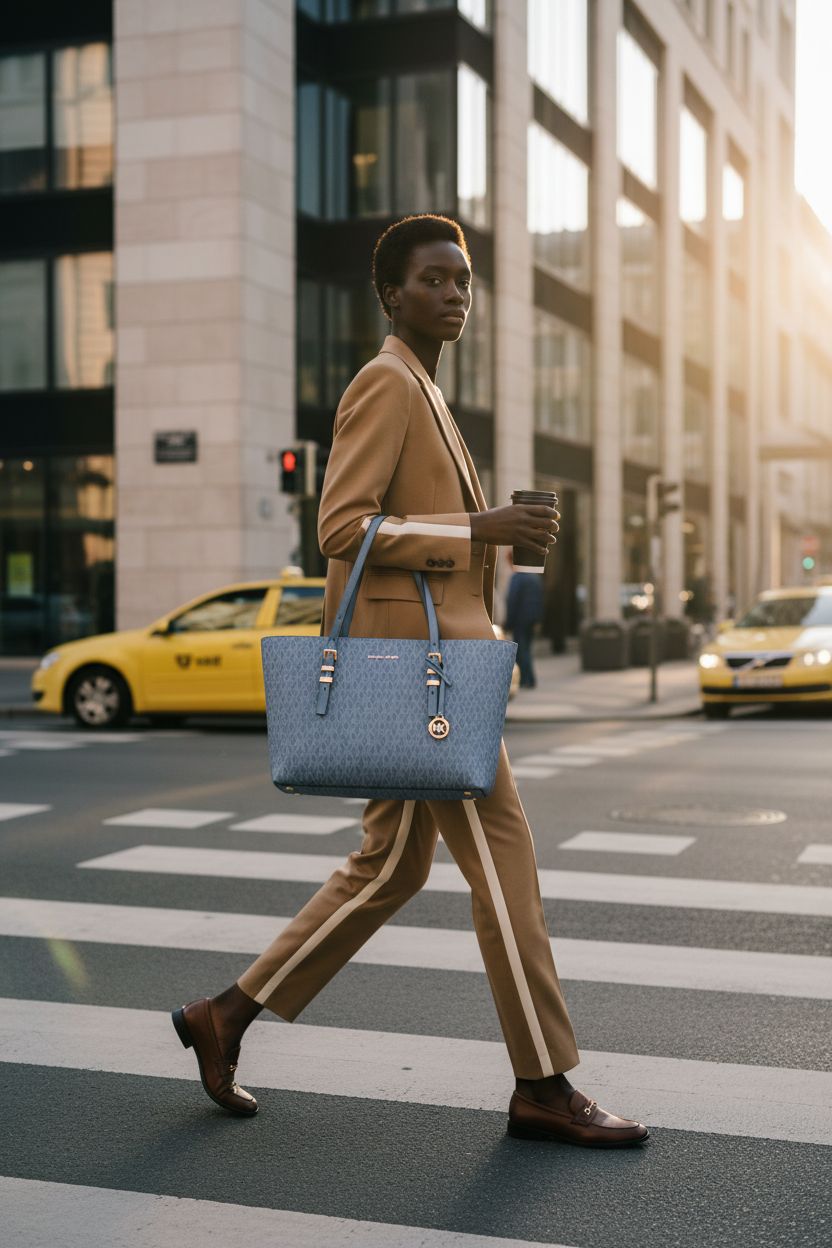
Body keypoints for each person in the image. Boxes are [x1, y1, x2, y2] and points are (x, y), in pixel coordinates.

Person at [171, 213, 649, 1148]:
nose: (454, 294)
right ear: (392, 294)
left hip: (433, 675)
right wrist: (481, 529)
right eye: (434, 280)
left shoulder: (425, 388)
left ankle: (224, 1016)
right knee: (506, 862)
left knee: (390, 866)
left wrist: (494, 536)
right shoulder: (385, 382)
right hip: (422, 685)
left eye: (463, 281)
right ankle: (543, 1084)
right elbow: (341, 527)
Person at [505, 552, 545, 688]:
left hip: (520, 620)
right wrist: (538, 620)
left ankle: (525, 679)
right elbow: (540, 600)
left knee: (522, 650)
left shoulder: (517, 578)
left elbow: (512, 601)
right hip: (531, 620)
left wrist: (508, 623)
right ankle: (530, 679)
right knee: (527, 649)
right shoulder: (535, 578)